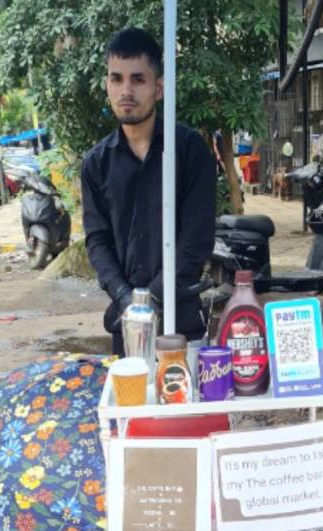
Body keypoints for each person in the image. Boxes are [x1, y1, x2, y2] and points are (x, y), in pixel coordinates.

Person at [81, 27, 216, 355]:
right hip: (124, 325)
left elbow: (196, 239)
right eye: (117, 78)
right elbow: (98, 241)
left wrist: (149, 299)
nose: (126, 90)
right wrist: (127, 299)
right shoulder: (96, 164)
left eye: (138, 79)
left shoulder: (189, 151)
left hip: (182, 320)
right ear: (107, 85)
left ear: (158, 88)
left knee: (184, 402)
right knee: (129, 404)